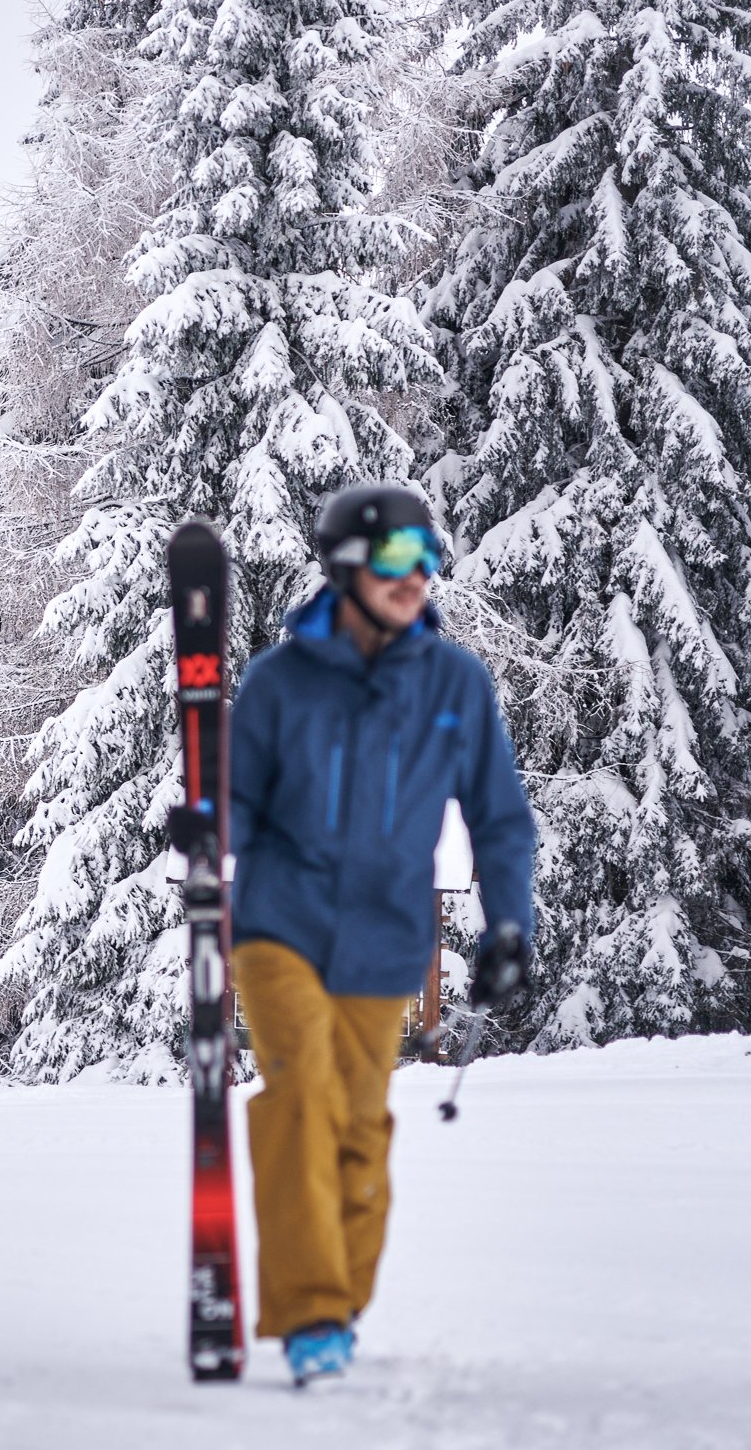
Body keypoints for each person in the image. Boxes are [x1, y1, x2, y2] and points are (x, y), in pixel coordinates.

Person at [227, 483, 538, 1385]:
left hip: (382, 940)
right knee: (302, 1095)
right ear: (349, 568)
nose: (419, 577)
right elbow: (235, 804)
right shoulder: (279, 681)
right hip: (280, 927)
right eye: (400, 559)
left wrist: (508, 918)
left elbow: (500, 817)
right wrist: (210, 823)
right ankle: (314, 1308)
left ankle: (338, 1298)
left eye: (427, 559)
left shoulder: (454, 683)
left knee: (360, 1127)